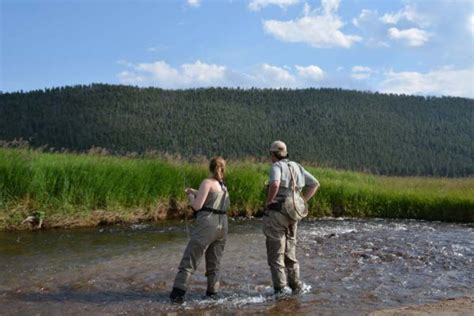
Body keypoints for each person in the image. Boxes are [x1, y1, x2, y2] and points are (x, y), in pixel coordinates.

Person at [169, 157, 230, 303]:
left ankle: (177, 295)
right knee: (214, 263)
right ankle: (212, 295)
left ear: (210, 168)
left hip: (207, 224)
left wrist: (191, 197)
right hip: (223, 225)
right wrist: (195, 191)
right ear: (222, 169)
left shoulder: (207, 182)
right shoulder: (223, 186)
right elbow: (211, 196)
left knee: (190, 259)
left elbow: (197, 206)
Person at [264, 140, 320, 295]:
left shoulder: (276, 166)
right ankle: (296, 286)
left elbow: (275, 184)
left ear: (273, 154)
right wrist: (301, 201)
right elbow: (315, 184)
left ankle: (281, 290)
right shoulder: (297, 166)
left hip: (277, 213)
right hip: (293, 213)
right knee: (290, 252)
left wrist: (269, 202)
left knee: (276, 253)